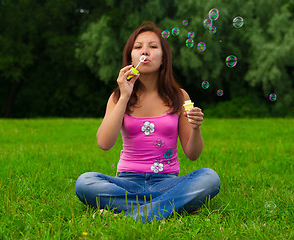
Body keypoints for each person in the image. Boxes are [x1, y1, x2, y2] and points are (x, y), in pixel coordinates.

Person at [75, 21, 221, 223]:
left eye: (153, 47)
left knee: (210, 178)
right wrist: (125, 95)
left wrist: (196, 129)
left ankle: (128, 215)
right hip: (126, 182)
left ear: (163, 58)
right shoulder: (118, 97)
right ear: (131, 58)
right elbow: (104, 143)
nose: (146, 51)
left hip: (167, 182)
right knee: (85, 182)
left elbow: (193, 154)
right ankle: (167, 207)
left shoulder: (180, 96)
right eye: (138, 47)